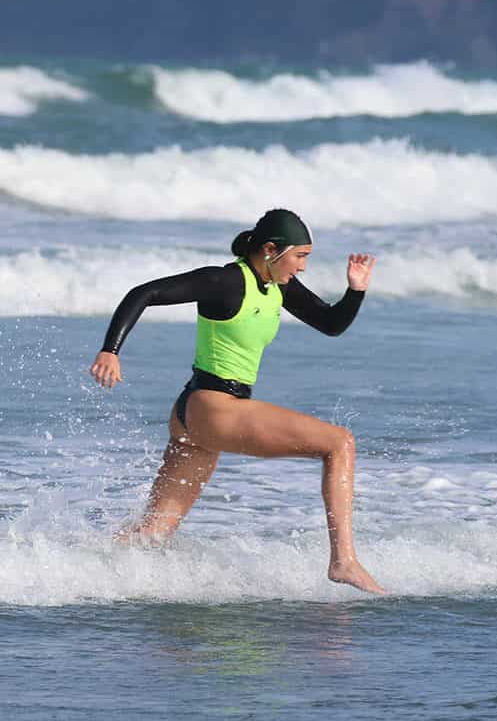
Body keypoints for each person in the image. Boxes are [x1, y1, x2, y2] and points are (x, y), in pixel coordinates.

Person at [89, 208, 385, 594]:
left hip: (196, 414)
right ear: (270, 250)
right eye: (300, 256)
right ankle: (343, 561)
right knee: (339, 443)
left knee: (152, 533)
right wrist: (110, 350)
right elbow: (144, 293)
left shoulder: (278, 286)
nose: (303, 267)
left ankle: (80, 569)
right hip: (215, 406)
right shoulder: (225, 282)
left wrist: (356, 290)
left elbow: (331, 324)